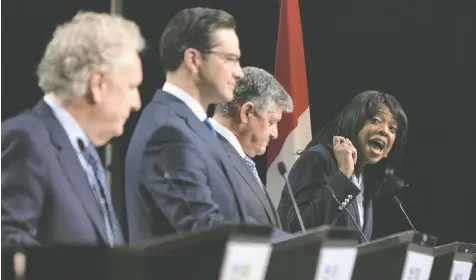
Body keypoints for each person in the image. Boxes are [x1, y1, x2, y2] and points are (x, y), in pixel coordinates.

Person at [1, 11, 145, 246]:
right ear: (97, 84)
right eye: (131, 87)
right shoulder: (26, 140)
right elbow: (10, 254)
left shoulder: (84, 154)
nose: (136, 103)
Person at [125, 7, 250, 244]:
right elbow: (206, 229)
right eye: (230, 59)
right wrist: (295, 249)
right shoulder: (167, 133)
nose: (239, 73)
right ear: (193, 59)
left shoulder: (192, 126)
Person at [277, 90, 408, 242]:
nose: (384, 131)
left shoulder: (364, 181)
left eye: (392, 128)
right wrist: (343, 176)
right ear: (354, 122)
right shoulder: (319, 158)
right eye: (376, 120)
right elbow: (299, 230)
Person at [211, 66, 293, 228]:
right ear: (246, 112)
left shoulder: (238, 157)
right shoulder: (204, 151)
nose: (275, 134)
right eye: (271, 122)